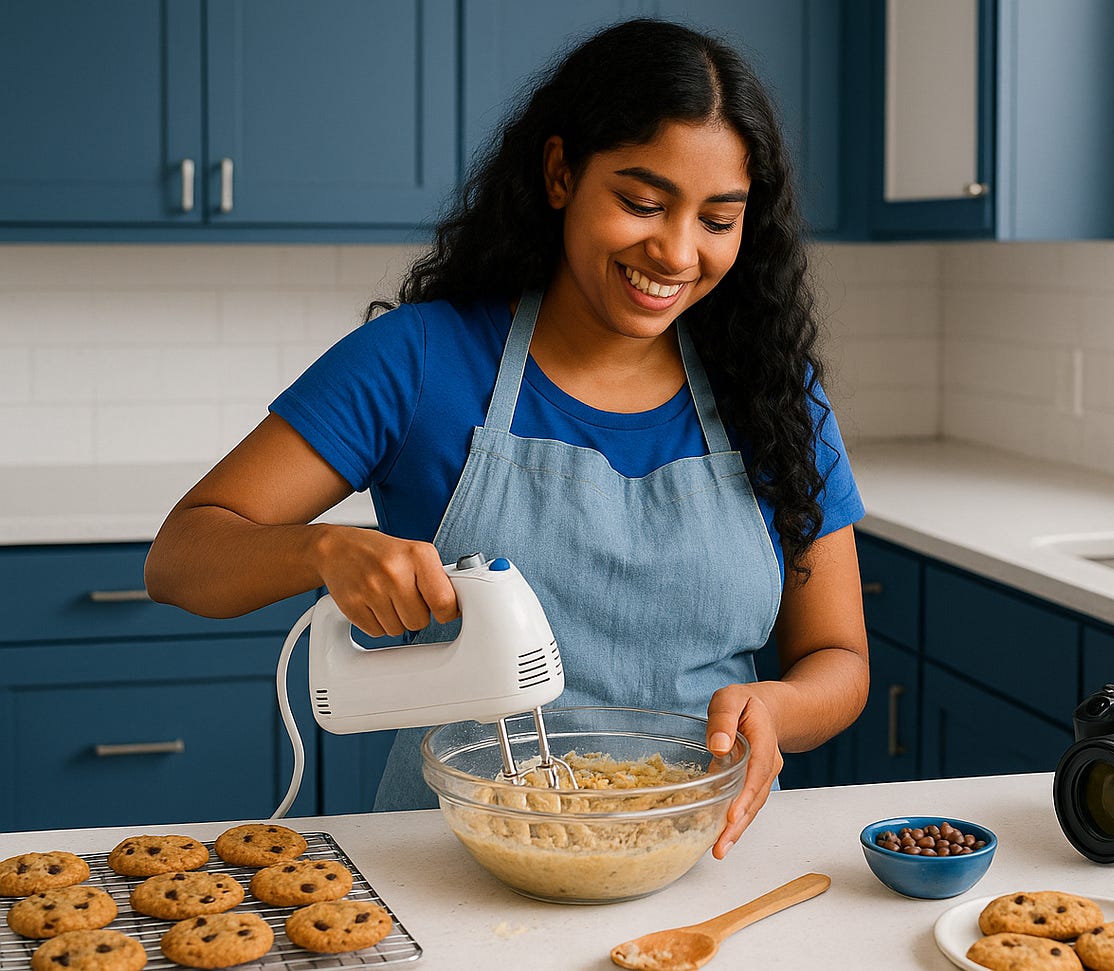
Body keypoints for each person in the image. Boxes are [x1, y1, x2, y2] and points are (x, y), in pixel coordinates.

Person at [145, 18, 869, 858]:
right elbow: (179, 558)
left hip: (709, 859)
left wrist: (778, 707)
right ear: (561, 173)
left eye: (718, 220)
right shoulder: (419, 360)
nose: (676, 251)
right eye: (641, 202)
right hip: (454, 864)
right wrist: (320, 551)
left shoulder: (775, 393)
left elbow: (838, 655)